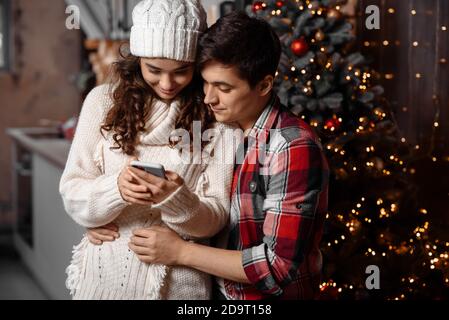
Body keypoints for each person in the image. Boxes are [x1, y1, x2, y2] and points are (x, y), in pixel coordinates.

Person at [90, 12, 330, 300]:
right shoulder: (218, 127)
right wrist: (110, 221)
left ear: (264, 86)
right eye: (206, 83)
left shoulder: (290, 147)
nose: (208, 98)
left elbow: (276, 267)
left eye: (224, 88)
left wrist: (181, 252)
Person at [59, 0, 235, 300]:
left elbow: (217, 219)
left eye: (182, 70)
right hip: (103, 281)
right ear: (137, 58)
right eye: (154, 69)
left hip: (180, 288)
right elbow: (73, 192)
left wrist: (176, 200)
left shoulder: (217, 119)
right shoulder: (102, 102)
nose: (167, 83)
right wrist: (115, 191)